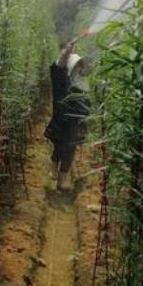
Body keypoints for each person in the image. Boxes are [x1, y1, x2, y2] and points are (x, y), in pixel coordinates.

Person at [45, 38, 92, 191]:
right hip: (62, 117)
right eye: (77, 67)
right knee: (60, 144)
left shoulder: (80, 83)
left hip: (75, 120)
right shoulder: (61, 80)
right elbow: (59, 67)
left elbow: (86, 101)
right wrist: (66, 53)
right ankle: (54, 167)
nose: (80, 70)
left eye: (81, 67)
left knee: (70, 147)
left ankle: (62, 178)